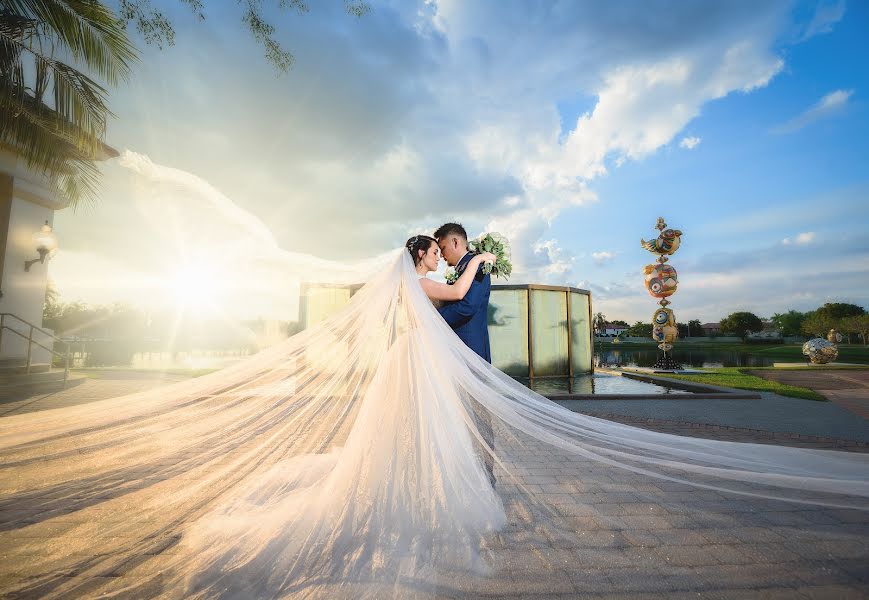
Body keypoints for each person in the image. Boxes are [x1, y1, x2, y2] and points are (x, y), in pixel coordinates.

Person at [1, 241, 867, 600]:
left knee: (407, 444)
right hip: (415, 372)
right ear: (414, 257)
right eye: (426, 252)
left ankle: (408, 500)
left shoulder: (410, 285)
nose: (432, 260)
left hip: (409, 374)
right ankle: (397, 508)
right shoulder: (426, 281)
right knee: (406, 443)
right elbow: (454, 294)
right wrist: (480, 259)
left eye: (434, 252)